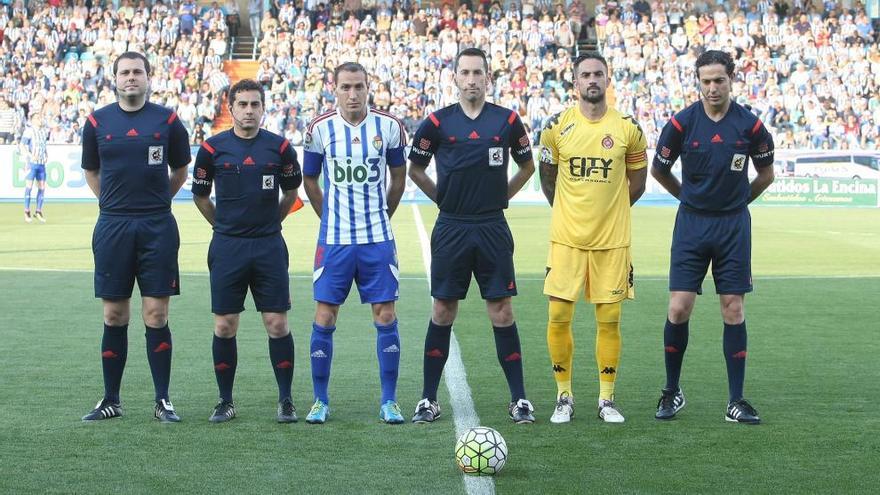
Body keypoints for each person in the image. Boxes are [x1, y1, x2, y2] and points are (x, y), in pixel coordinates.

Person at [408, 48, 536, 424]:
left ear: (488, 77)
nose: (471, 79)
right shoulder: (436, 122)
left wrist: (502, 197)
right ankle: (428, 399)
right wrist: (441, 198)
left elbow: (527, 166)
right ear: (455, 78)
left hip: (492, 225)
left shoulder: (508, 120)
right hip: (451, 226)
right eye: (465, 72)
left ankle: (519, 400)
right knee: (443, 310)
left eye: (478, 72)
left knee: (502, 311)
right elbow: (416, 169)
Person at [651, 50, 775, 424]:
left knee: (733, 307)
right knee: (678, 307)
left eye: (719, 80)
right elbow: (660, 170)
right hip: (692, 224)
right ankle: (672, 391)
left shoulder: (750, 127)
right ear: (698, 83)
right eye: (705, 81)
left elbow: (766, 174)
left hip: (733, 226)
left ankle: (736, 400)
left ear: (731, 79)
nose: (712, 88)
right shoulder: (681, 123)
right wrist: (688, 198)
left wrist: (739, 202)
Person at [80, 52, 191, 422]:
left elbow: (180, 170)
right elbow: (92, 172)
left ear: (148, 77)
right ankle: (111, 399)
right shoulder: (97, 121)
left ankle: (163, 400)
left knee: (156, 314)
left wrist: (156, 203)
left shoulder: (168, 120)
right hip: (112, 226)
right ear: (115, 79)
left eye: (137, 72)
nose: (131, 78)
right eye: (125, 72)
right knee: (114, 314)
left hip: (157, 226)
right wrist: (113, 205)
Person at [538, 52, 648, 424]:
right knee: (557, 315)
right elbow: (547, 177)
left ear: (608, 78)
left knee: (610, 319)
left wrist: (610, 212)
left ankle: (606, 399)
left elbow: (638, 183)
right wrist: (569, 212)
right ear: (575, 82)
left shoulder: (628, 128)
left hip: (612, 242)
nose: (592, 80)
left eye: (598, 74)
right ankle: (563, 395)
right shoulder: (556, 126)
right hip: (567, 239)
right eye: (585, 75)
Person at [301, 62, 407, 424]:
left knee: (386, 315)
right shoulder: (319, 129)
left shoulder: (390, 127)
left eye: (358, 86)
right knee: (325, 316)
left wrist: (382, 215)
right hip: (335, 241)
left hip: (377, 238)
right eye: (345, 87)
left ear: (368, 87)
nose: (352, 94)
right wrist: (328, 217)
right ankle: (320, 400)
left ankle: (389, 401)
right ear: (335, 89)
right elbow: (310, 180)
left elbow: (398, 178)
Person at [191, 79, 302, 423]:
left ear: (263, 108)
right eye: (243, 104)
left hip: (268, 244)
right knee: (225, 325)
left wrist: (272, 223)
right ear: (231, 108)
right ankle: (225, 400)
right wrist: (222, 226)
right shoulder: (212, 149)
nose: (249, 111)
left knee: (277, 323)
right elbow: (200, 196)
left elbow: (291, 193)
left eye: (255, 104)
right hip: (227, 247)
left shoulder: (280, 148)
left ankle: (285, 400)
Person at [21, 113, 50, 223]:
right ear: (32, 120)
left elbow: (43, 145)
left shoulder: (43, 131)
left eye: (40, 117)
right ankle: (27, 211)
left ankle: (38, 211)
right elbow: (22, 145)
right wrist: (29, 155)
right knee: (29, 186)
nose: (40, 119)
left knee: (42, 187)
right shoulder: (29, 131)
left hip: (41, 164)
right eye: (38, 118)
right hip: (32, 163)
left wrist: (46, 153)